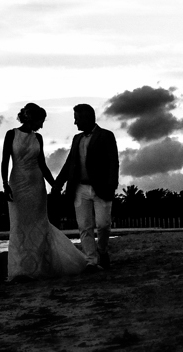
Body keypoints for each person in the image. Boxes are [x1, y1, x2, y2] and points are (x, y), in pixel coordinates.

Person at [1, 103, 89, 281]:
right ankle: (20, 270)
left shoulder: (38, 138)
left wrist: (55, 185)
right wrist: (5, 184)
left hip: (36, 186)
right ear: (31, 118)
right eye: (40, 121)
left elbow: (42, 165)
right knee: (18, 226)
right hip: (17, 184)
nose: (41, 126)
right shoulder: (11, 134)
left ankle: (39, 267)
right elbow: (4, 162)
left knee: (39, 225)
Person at [54, 104, 119, 269]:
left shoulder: (106, 136)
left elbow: (113, 162)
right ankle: (91, 261)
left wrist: (112, 185)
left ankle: (102, 250)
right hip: (80, 189)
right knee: (84, 226)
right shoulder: (77, 139)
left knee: (103, 224)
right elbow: (69, 163)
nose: (75, 123)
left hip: (102, 188)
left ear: (87, 118)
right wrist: (58, 184)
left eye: (77, 119)